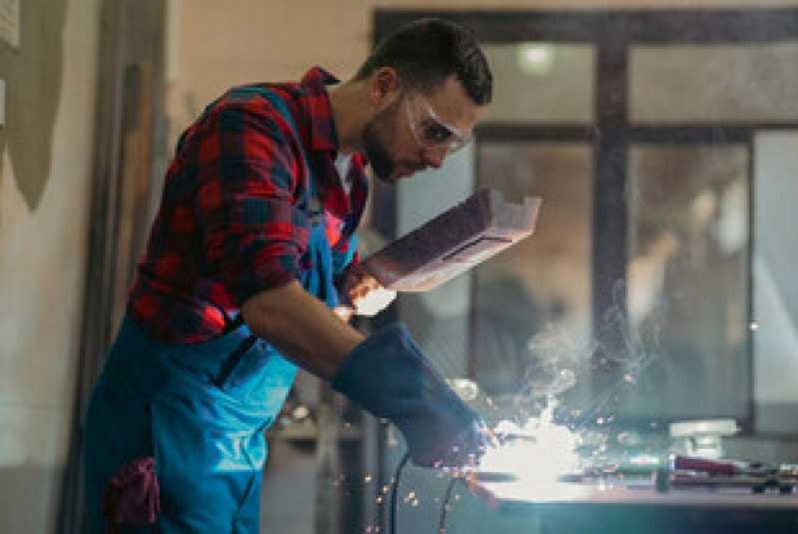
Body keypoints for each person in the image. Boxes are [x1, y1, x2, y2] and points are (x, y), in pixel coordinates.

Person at [83, 18, 493, 533]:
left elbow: (308, 297)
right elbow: (270, 304)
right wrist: (414, 394)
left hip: (238, 433)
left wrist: (352, 291)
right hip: (166, 423)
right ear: (385, 86)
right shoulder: (249, 127)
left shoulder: (349, 176)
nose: (436, 159)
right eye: (434, 132)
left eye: (452, 146)